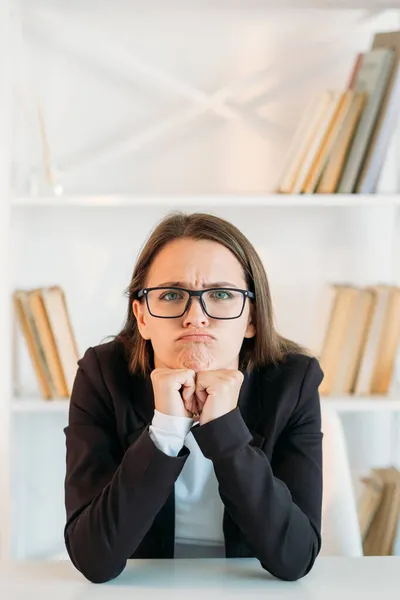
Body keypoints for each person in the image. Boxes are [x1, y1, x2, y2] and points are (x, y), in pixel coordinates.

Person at [64, 211, 324, 584]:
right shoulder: (102, 376)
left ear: (251, 317)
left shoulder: (293, 382)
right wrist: (165, 431)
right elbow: (93, 558)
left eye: (220, 294)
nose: (195, 316)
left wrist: (225, 430)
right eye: (171, 295)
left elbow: (295, 559)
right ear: (141, 317)